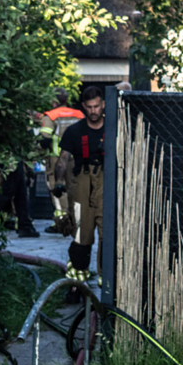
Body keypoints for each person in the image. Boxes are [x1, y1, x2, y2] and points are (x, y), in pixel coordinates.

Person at [60, 86, 105, 271]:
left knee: (107, 235)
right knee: (81, 235)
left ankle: (107, 282)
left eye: (96, 106)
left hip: (106, 183)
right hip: (82, 184)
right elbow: (62, 159)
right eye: (89, 107)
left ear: (103, 104)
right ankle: (76, 282)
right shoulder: (74, 131)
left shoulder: (115, 129)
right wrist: (59, 182)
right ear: (83, 107)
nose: (93, 111)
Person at [38, 88, 83, 236]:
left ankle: (62, 221)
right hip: (77, 158)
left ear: (54, 101)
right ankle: (75, 219)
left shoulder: (51, 116)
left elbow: (45, 138)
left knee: (57, 189)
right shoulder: (79, 114)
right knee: (74, 188)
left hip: (56, 158)